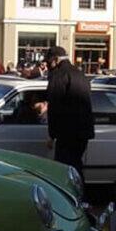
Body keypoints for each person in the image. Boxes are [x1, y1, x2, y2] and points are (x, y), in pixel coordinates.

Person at [45, 46, 94, 177]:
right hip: (84, 130)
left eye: (48, 62)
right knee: (75, 165)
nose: (48, 65)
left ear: (55, 60)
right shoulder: (80, 74)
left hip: (67, 131)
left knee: (64, 169)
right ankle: (80, 192)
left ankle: (71, 195)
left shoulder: (58, 75)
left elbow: (54, 105)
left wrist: (52, 135)